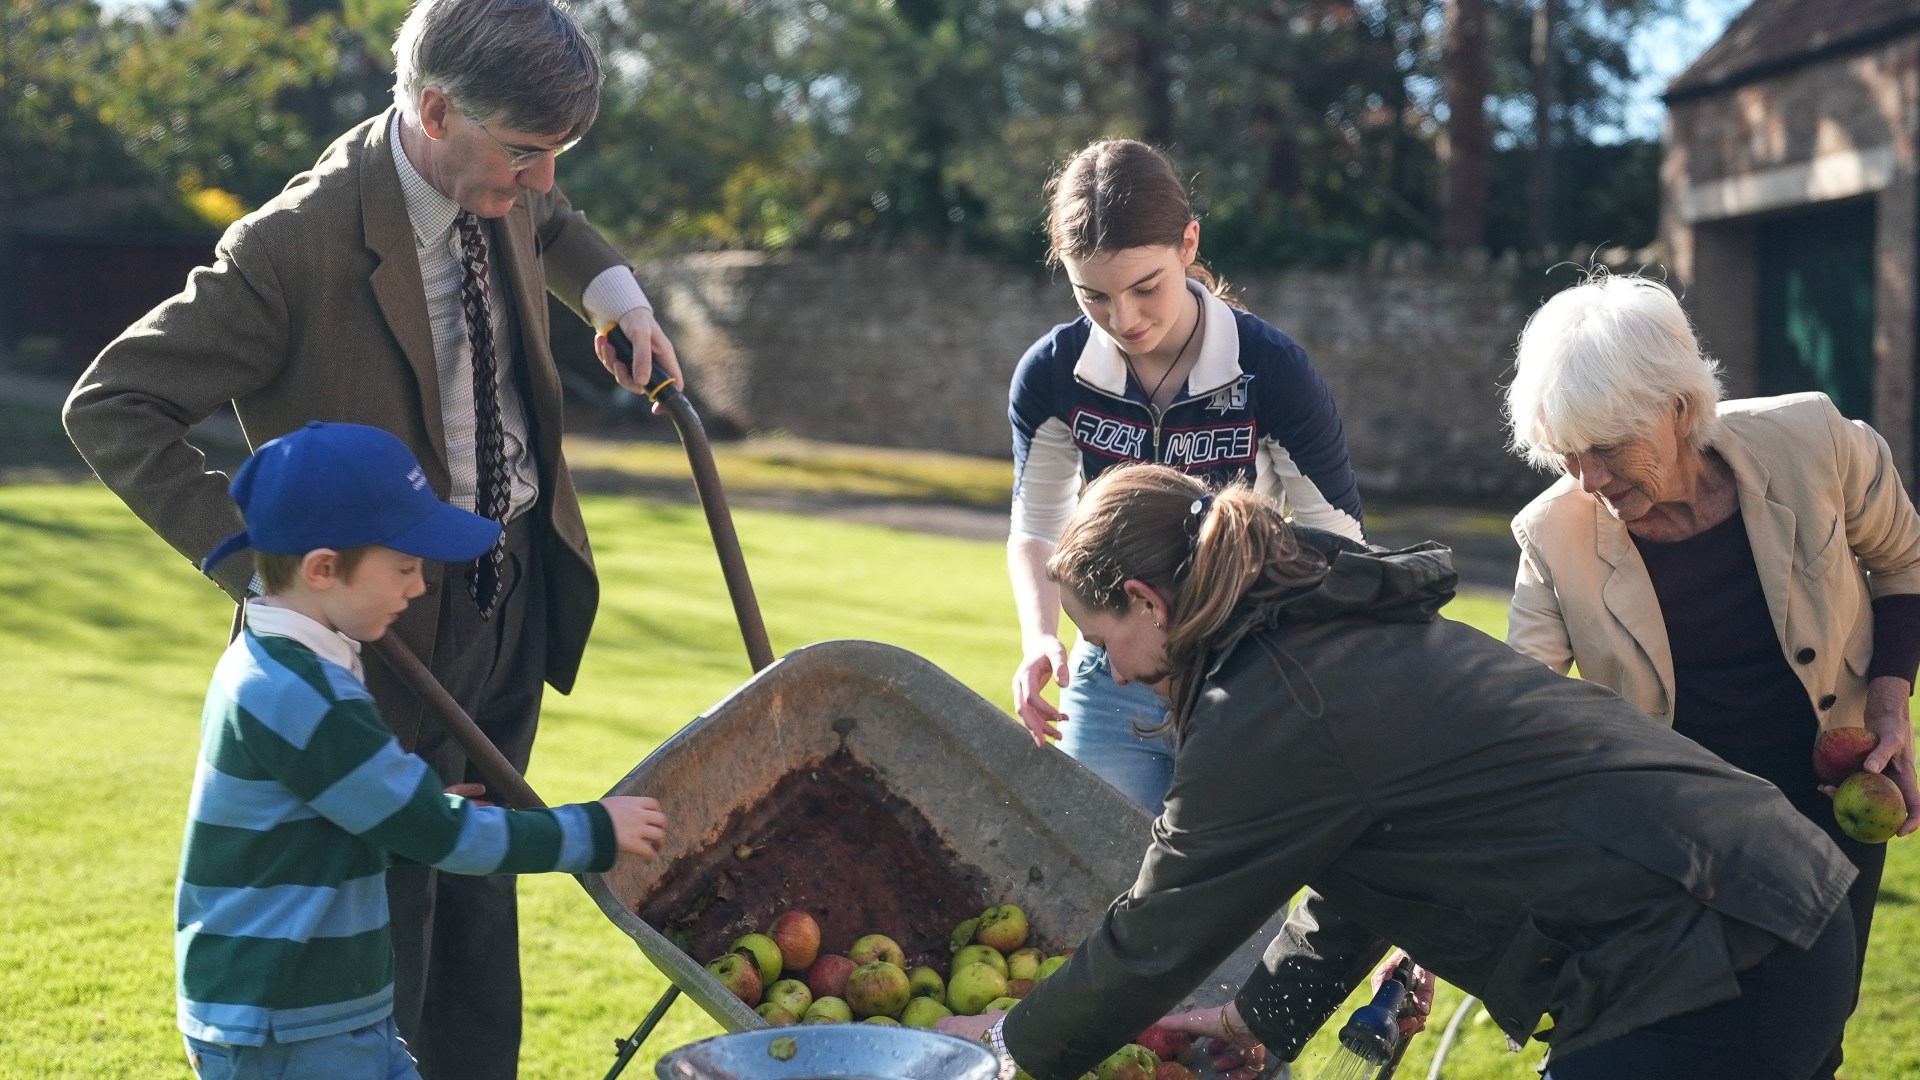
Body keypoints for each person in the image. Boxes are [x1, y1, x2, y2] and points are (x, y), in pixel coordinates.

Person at [62, 1, 679, 1074]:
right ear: (436, 110)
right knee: (399, 880)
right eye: (525, 154)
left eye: (553, 157)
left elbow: (558, 222)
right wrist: (257, 568)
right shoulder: (289, 247)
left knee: (484, 892)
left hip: (510, 589)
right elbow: (112, 405)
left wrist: (617, 300)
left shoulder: (498, 175)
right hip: (379, 620)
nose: (538, 184)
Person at [943, 463, 1858, 1080]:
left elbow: (1157, 935)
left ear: (1147, 600)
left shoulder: (1271, 699)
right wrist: (1260, 1013)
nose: (1123, 670)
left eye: (1104, 643)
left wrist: (1004, 1046)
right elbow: (1362, 863)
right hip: (1771, 904)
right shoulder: (1316, 624)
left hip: (1717, 953)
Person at [1502, 272, 1920, 1078]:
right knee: (1642, 1043)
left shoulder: (1816, 442)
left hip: (1828, 809)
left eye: (1606, 450)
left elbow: (1904, 564)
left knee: (1804, 1043)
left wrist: (1891, 707)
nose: (1586, 480)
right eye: (1566, 456)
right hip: (1672, 837)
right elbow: (1514, 705)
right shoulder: (1551, 536)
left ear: (1680, 411)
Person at [179, 422, 667, 1080]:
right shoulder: (300, 694)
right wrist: (589, 831)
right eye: (405, 568)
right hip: (287, 1022)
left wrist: (405, 807)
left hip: (324, 1007)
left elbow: (321, 814)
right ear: (323, 569)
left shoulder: (285, 662)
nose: (417, 587)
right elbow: (442, 837)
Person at [1009, 138, 1365, 813]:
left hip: (1245, 676)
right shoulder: (1051, 372)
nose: (1125, 320)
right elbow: (1036, 523)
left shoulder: (1273, 369)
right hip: (1109, 673)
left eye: (1147, 288)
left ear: (1189, 244)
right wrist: (1039, 637)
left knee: (1241, 909)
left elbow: (1337, 537)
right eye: (1094, 297)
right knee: (1091, 876)